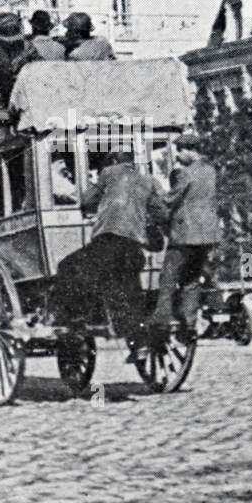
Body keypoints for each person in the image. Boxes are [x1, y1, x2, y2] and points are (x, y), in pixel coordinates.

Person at [53, 151, 167, 361]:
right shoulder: (147, 180)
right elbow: (161, 213)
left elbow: (86, 201)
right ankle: (138, 342)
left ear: (114, 161)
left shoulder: (108, 172)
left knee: (68, 267)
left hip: (108, 242)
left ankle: (77, 321)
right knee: (128, 288)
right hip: (133, 248)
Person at [150, 133, 220, 336]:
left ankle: (162, 317)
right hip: (206, 235)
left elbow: (169, 201)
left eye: (181, 151)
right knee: (192, 278)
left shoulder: (185, 174)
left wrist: (154, 199)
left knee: (168, 277)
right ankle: (189, 322)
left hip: (184, 234)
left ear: (191, 151)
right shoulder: (210, 171)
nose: (179, 156)